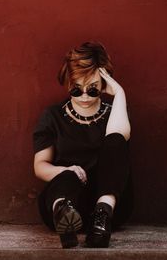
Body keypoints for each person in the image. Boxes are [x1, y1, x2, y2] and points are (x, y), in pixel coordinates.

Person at [33, 42, 133, 248]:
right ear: (67, 83)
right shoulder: (53, 116)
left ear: (104, 85)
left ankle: (101, 220)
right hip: (65, 194)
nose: (85, 96)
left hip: (108, 203)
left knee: (115, 141)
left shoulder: (114, 113)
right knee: (67, 177)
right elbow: (40, 165)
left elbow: (120, 138)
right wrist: (64, 170)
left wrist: (120, 93)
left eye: (93, 89)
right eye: (76, 89)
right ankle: (64, 215)